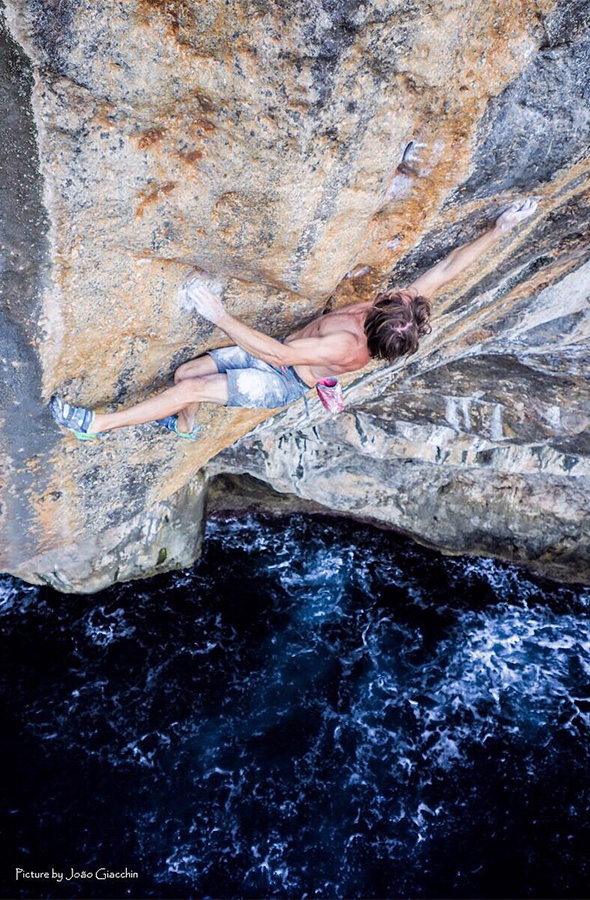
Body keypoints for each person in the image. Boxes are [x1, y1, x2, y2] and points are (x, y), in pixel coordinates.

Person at [50, 198, 538, 441]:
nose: (393, 290)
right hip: (284, 359)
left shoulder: (345, 347)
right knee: (184, 376)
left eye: (389, 297)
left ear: (373, 325)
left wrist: (219, 314)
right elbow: (449, 269)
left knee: (192, 386)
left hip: (283, 379)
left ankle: (97, 424)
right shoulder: (398, 313)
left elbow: (279, 354)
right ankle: (183, 427)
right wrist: (500, 228)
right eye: (395, 296)